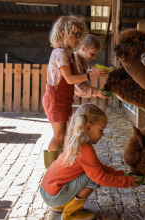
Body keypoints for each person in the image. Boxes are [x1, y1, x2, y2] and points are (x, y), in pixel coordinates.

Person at [40, 104, 142, 220]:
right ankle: (70, 214)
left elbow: (98, 166)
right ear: (88, 127)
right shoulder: (86, 149)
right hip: (54, 195)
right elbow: (100, 177)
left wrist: (121, 174)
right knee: (93, 178)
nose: (102, 135)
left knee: (92, 173)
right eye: (101, 130)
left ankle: (60, 205)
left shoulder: (75, 143)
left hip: (48, 191)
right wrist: (126, 181)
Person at [42, 15, 109, 169]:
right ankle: (50, 172)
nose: (78, 38)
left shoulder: (69, 54)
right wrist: (91, 75)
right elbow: (70, 79)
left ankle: (59, 168)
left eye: (80, 35)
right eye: (76, 34)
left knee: (64, 135)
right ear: (63, 33)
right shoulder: (59, 53)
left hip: (64, 99)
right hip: (56, 98)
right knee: (58, 136)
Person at [74, 34, 109, 99]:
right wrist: (96, 92)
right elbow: (78, 89)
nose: (94, 57)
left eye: (95, 55)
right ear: (83, 48)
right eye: (92, 54)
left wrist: (97, 91)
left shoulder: (84, 63)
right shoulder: (75, 61)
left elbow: (84, 84)